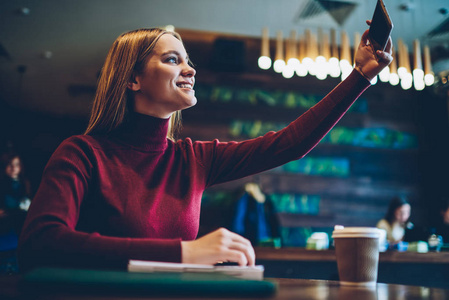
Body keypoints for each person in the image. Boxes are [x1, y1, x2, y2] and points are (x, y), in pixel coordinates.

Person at [18, 23, 392, 271]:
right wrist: (184, 254)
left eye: (188, 60)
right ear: (133, 79)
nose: (190, 69)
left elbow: (289, 144)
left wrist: (360, 76)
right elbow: (41, 242)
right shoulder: (82, 154)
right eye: (171, 59)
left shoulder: (192, 158)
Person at [0, 153, 31, 235]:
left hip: (21, 214)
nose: (13, 168)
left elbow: (27, 198)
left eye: (16, 165)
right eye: (10, 165)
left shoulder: (24, 182)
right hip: (7, 215)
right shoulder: (2, 183)